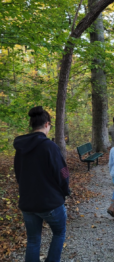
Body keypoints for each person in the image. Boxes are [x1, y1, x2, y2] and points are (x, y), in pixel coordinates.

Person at [13, 106, 70, 262]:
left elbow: (18, 172)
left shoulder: (21, 148)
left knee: (33, 240)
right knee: (59, 233)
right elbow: (63, 172)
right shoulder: (50, 146)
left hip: (28, 203)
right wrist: (66, 190)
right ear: (47, 124)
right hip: (50, 202)